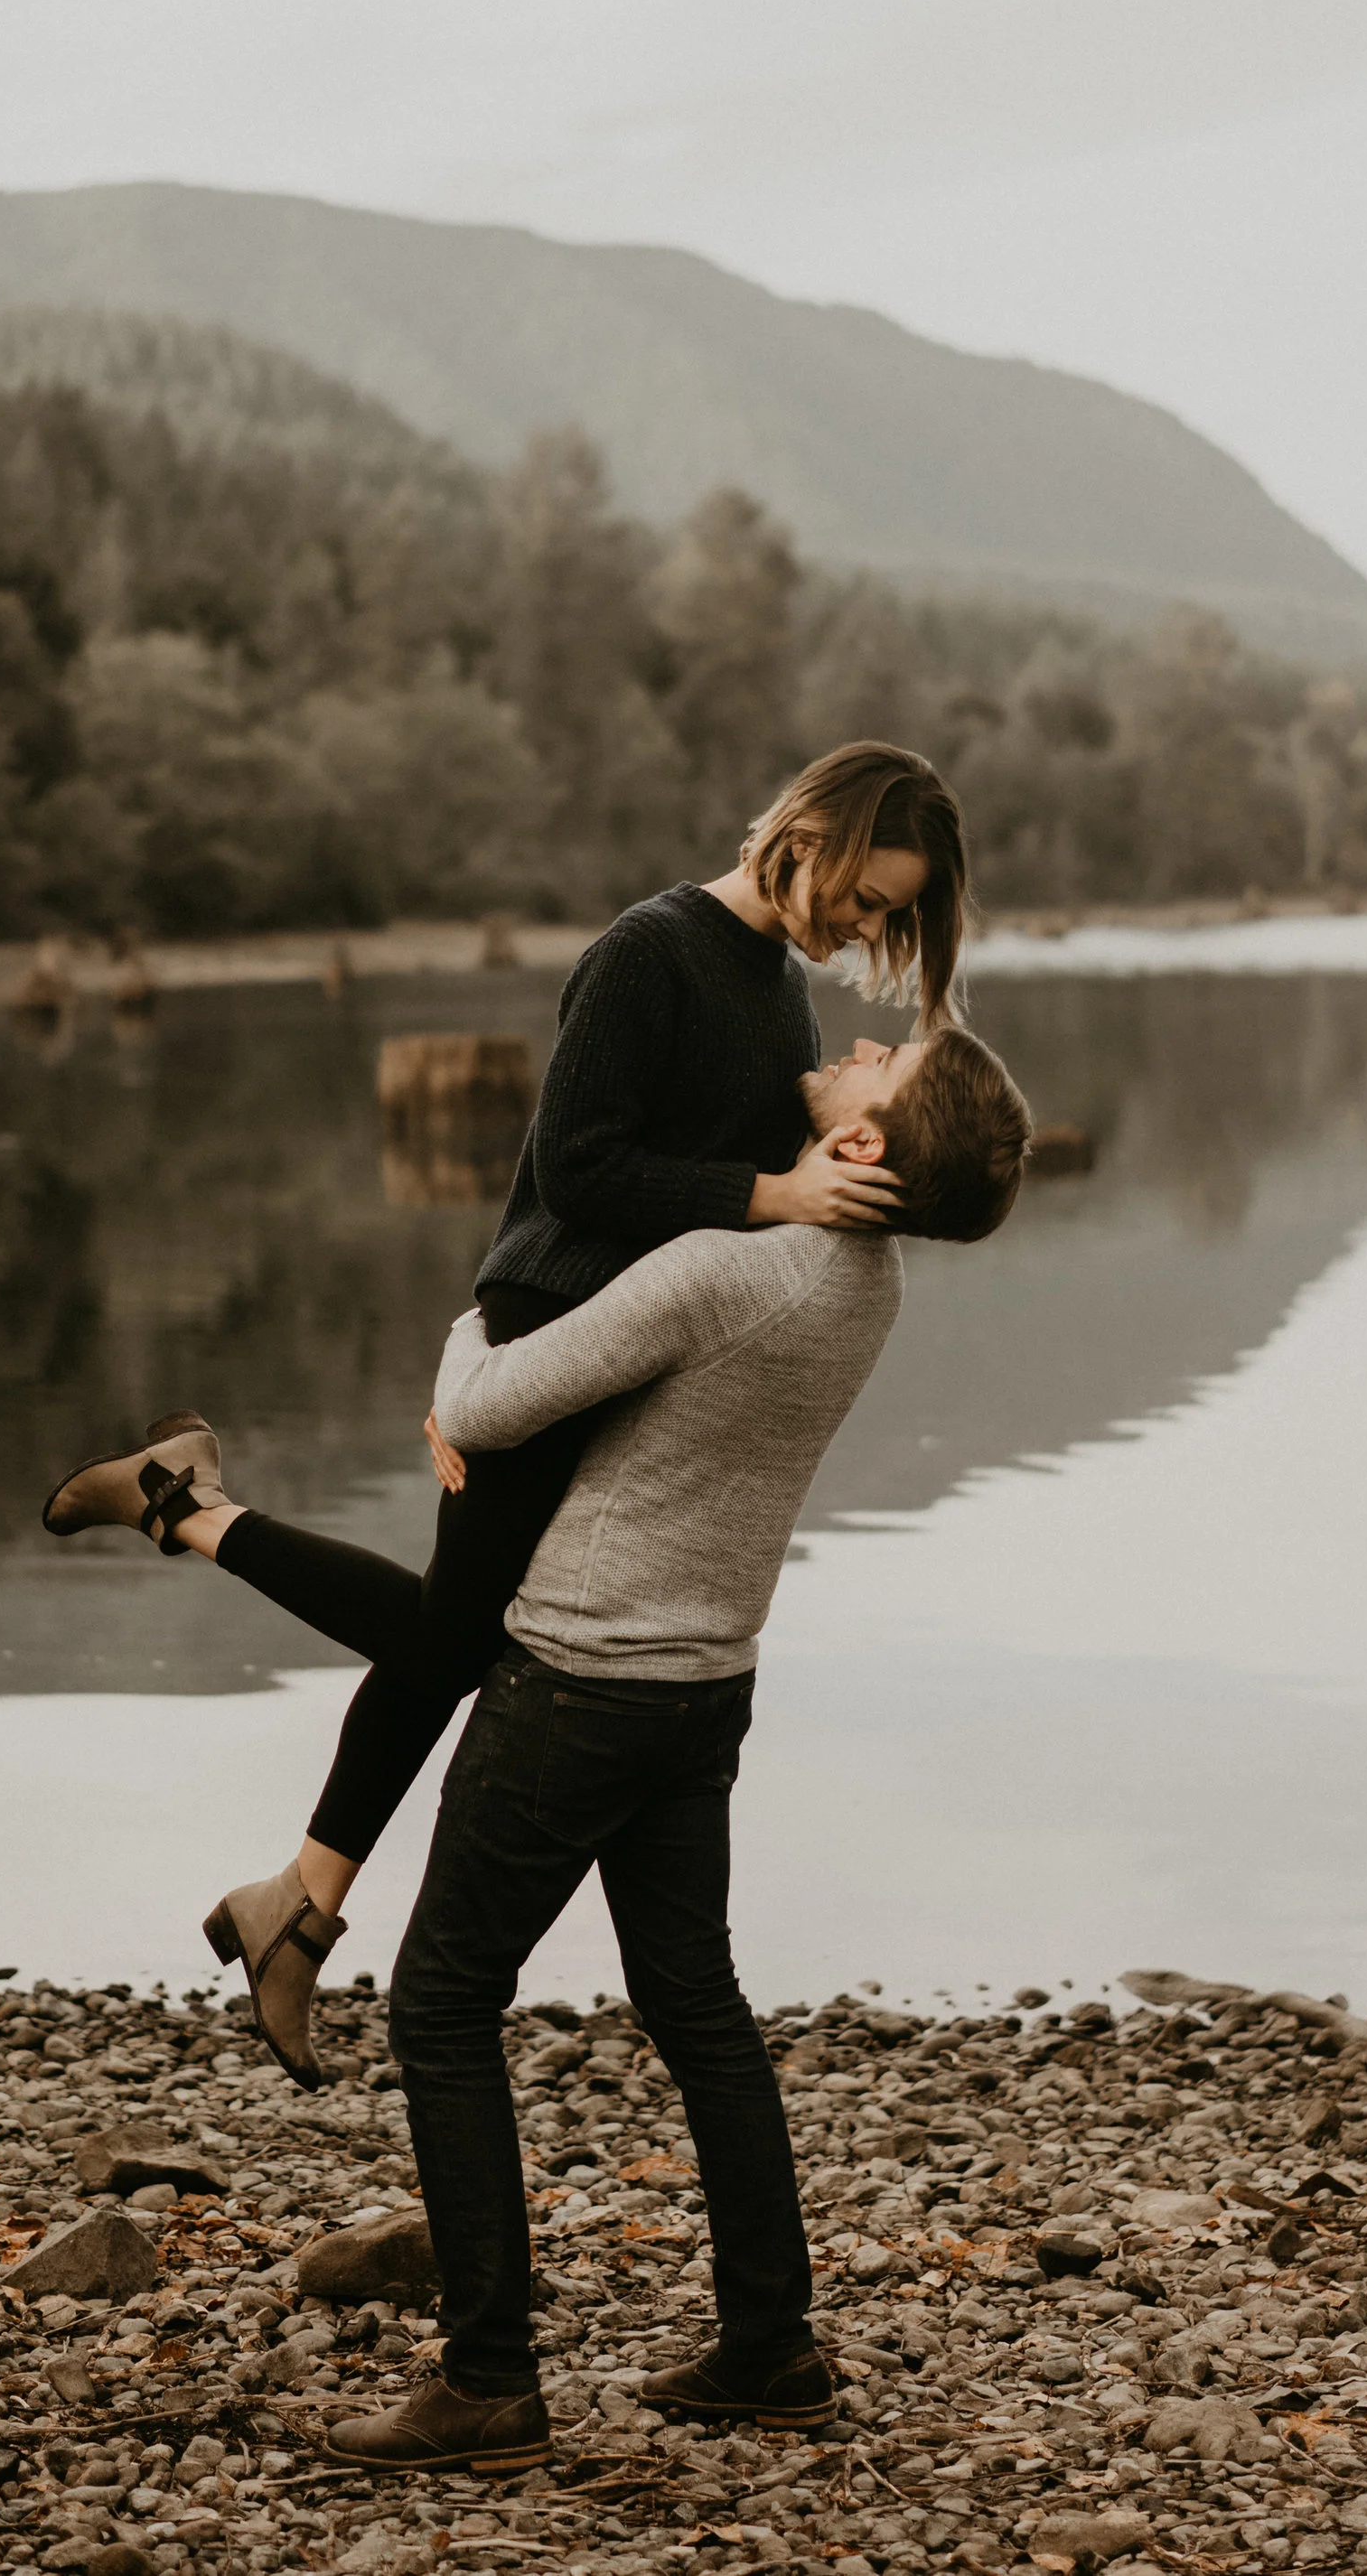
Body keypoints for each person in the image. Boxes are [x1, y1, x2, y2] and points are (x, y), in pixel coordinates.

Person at [42, 742, 972, 2082]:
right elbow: (577, 1174)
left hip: (616, 1358)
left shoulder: (779, 995)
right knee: (457, 1635)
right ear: (811, 830)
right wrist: (491, 1363)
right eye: (868, 892)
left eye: (890, 915)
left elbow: (727, 1206)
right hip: (552, 1327)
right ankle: (182, 1507)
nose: (866, 925)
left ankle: (296, 1904)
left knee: (455, 1636)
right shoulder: (648, 951)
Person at [317, 1022, 1033, 2472]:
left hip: (583, 1669)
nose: (867, 1040)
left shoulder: (730, 1267)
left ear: (863, 1148)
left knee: (442, 2003)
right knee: (694, 2001)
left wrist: (464, 1338)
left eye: (885, 1066)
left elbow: (486, 1400)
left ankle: (488, 2380)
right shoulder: (867, 1282)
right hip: (708, 1676)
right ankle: (772, 2348)